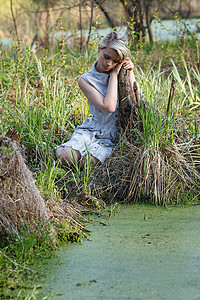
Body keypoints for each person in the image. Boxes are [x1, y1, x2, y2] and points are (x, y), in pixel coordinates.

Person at [56, 30, 140, 167]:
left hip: (113, 134)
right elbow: (109, 106)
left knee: (87, 164)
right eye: (107, 57)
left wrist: (130, 74)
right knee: (65, 157)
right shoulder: (86, 80)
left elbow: (137, 103)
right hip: (92, 129)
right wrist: (113, 76)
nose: (109, 63)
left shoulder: (122, 73)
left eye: (115, 61)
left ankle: (88, 160)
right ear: (99, 48)